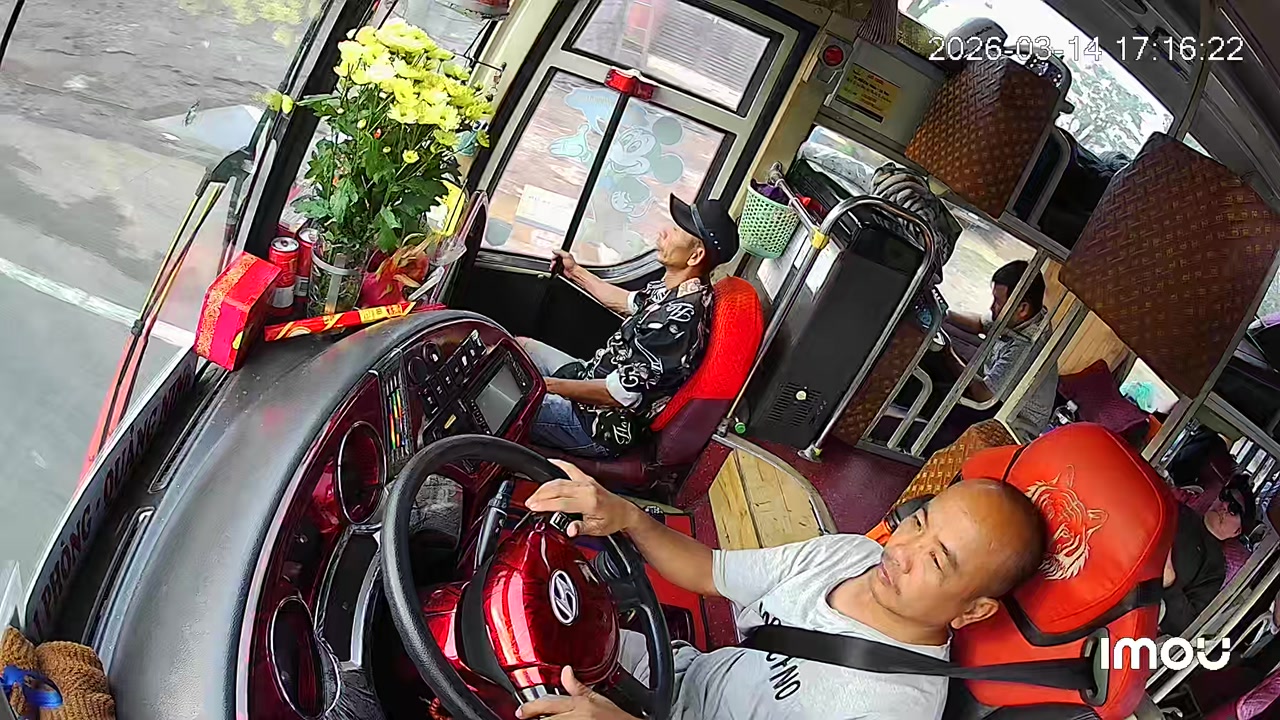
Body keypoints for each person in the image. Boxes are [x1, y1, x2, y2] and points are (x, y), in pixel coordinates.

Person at [514, 461, 1049, 720]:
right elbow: (710, 571)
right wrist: (628, 515)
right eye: (918, 522)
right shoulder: (851, 555)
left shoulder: (894, 710)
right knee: (524, 624)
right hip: (678, 673)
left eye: (935, 559)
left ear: (973, 610)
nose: (900, 552)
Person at [518, 195, 739, 459]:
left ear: (695, 256)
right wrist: (575, 271)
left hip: (600, 424)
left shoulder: (679, 320)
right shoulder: (676, 289)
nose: (663, 231)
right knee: (520, 347)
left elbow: (618, 395)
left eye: (676, 231)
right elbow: (626, 302)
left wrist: (544, 386)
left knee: (510, 400)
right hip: (591, 377)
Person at [898, 260, 1057, 455]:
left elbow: (983, 395)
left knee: (937, 392)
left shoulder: (1027, 347)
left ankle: (901, 439)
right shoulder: (1025, 316)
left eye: (997, 302)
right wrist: (943, 313)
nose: (992, 307)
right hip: (994, 394)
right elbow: (981, 324)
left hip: (1008, 420)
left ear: (1022, 309)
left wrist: (949, 354)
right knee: (935, 367)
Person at [1161, 477, 1257, 637]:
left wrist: (1169, 582)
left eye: (1233, 509)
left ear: (1237, 531)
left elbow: (1183, 625)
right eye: (1225, 496)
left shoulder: (1214, 569)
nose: (1224, 505)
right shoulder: (1179, 509)